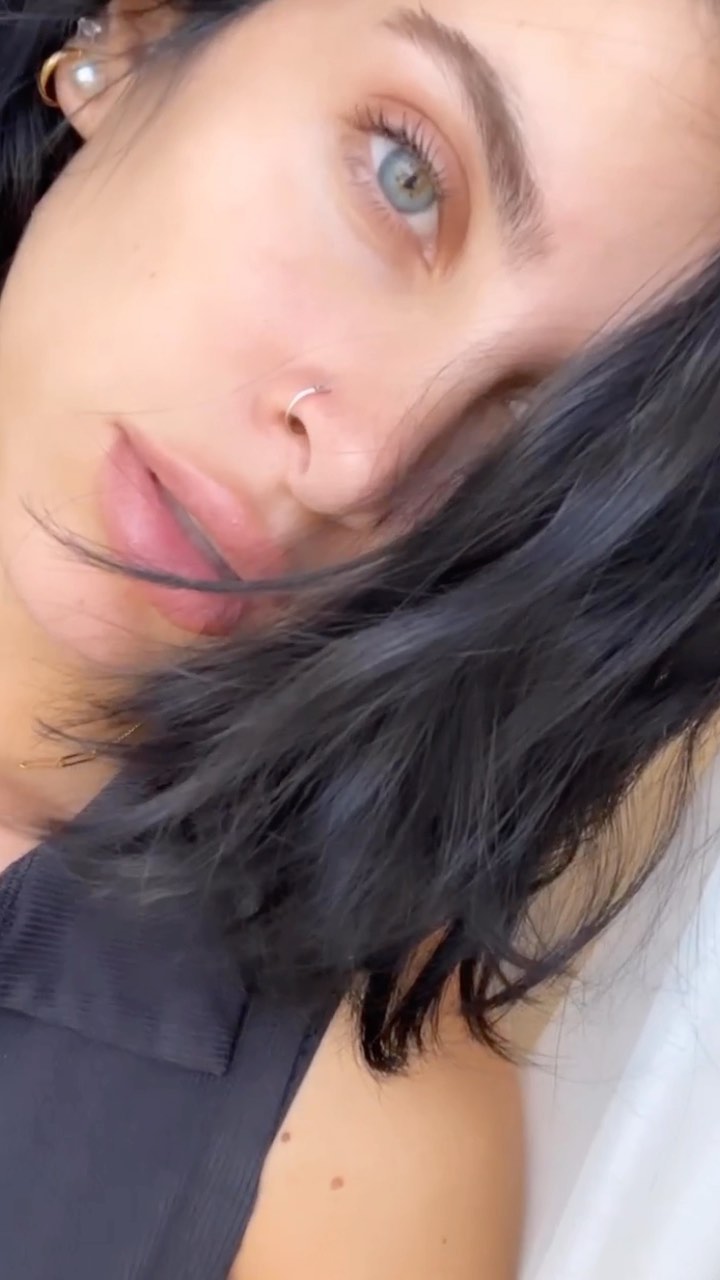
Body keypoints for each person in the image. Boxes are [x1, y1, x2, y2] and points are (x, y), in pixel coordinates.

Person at [1, 0, 720, 1276]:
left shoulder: (344, 1159)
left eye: (539, 431)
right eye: (405, 176)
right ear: (140, 31)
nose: (361, 462)